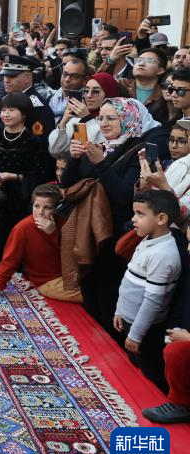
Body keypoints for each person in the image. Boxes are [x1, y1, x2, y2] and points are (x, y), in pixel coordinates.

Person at [62, 98, 152, 328]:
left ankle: (111, 345)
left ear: (128, 119)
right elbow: (68, 184)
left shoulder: (138, 150)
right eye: (101, 118)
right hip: (87, 228)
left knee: (108, 295)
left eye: (111, 118)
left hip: (113, 231)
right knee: (88, 289)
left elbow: (125, 196)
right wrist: (74, 159)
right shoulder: (96, 144)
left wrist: (101, 163)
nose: (103, 123)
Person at [0, 93, 54, 272]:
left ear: (24, 114)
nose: (6, 114)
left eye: (11, 110)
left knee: (13, 242)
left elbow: (40, 176)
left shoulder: (33, 142)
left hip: (17, 203)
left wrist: (15, 177)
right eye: (3, 110)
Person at [114, 189, 182, 391]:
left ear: (161, 219)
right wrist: (120, 310)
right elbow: (130, 281)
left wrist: (136, 335)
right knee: (138, 367)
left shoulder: (163, 255)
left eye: (140, 214)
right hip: (131, 319)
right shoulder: (148, 239)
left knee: (150, 371)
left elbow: (153, 301)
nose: (133, 219)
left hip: (145, 328)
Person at [0, 184, 81, 301]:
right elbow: (9, 262)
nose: (40, 212)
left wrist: (54, 233)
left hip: (71, 274)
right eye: (36, 206)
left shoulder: (62, 223)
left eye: (47, 208)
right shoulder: (22, 229)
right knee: (90, 295)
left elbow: (75, 254)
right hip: (48, 281)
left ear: (56, 209)